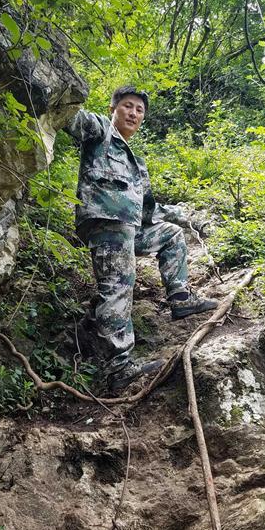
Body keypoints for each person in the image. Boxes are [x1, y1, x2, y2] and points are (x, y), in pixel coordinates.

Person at [67, 85, 217, 392]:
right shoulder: (99, 131)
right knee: (119, 288)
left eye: (139, 110)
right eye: (127, 106)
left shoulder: (137, 163)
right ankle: (119, 367)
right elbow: (69, 117)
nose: (134, 113)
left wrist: (184, 215)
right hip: (106, 225)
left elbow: (150, 211)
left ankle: (181, 299)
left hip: (130, 230)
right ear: (113, 109)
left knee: (171, 235)